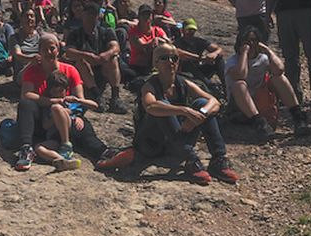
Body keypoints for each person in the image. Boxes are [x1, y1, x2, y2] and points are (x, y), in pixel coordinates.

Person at [98, 43, 239, 185]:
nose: (170, 62)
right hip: (152, 144)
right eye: (164, 58)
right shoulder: (150, 85)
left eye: (174, 58)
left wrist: (200, 114)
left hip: (177, 141)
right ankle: (191, 160)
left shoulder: (183, 83)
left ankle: (218, 159)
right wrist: (184, 110)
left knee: (202, 103)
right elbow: (151, 106)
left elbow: (214, 102)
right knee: (163, 106)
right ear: (155, 63)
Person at [13, 32, 92, 171]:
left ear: (58, 50)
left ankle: (101, 152)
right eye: (45, 49)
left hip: (65, 119)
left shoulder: (70, 70)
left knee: (84, 128)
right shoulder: (32, 70)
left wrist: (77, 114)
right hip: (42, 119)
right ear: (39, 51)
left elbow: (80, 99)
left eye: (52, 48)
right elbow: (26, 94)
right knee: (25, 104)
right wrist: (51, 101)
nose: (49, 52)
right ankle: (26, 148)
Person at [223, 26, 310, 140]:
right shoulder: (232, 62)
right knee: (239, 84)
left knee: (279, 78)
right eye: (247, 41)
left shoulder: (263, 59)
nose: (251, 44)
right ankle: (258, 123)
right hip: (239, 105)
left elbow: (279, 70)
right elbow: (241, 75)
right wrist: (244, 53)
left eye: (254, 40)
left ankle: (298, 116)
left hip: (261, 101)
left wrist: (268, 51)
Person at [64, 0, 126, 113]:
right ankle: (96, 95)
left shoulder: (106, 31)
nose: (90, 17)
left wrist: (106, 55)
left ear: (98, 16)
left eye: (93, 14)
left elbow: (115, 47)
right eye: (88, 14)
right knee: (81, 61)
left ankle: (115, 97)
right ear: (83, 15)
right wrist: (86, 55)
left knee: (113, 59)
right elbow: (69, 51)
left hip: (103, 67)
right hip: (85, 70)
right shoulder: (75, 34)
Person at [32, 70, 98, 172]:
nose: (58, 94)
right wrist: (57, 116)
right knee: (39, 148)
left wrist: (78, 101)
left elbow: (95, 105)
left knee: (56, 108)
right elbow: (45, 125)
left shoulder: (70, 102)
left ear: (66, 90)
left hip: (71, 131)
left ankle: (66, 144)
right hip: (55, 136)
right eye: (55, 92)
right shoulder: (48, 105)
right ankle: (62, 160)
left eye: (60, 91)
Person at [172, 18, 224, 93]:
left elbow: (219, 49)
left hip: (199, 70)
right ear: (182, 31)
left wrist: (214, 54)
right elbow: (180, 53)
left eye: (193, 31)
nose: (190, 33)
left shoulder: (199, 41)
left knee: (219, 59)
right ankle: (210, 85)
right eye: (188, 30)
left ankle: (226, 86)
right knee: (187, 63)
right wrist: (200, 58)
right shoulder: (177, 43)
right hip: (184, 73)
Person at [124, 4, 168, 89]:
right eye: (143, 14)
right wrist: (153, 41)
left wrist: (159, 40)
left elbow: (167, 41)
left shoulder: (157, 30)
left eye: (148, 14)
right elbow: (140, 46)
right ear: (139, 16)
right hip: (138, 66)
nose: (146, 17)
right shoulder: (134, 31)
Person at [10, 8, 42, 80]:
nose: (29, 18)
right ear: (21, 20)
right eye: (26, 16)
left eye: (32, 16)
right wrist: (32, 59)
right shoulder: (15, 37)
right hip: (23, 71)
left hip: (39, 67)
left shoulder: (40, 35)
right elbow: (18, 54)